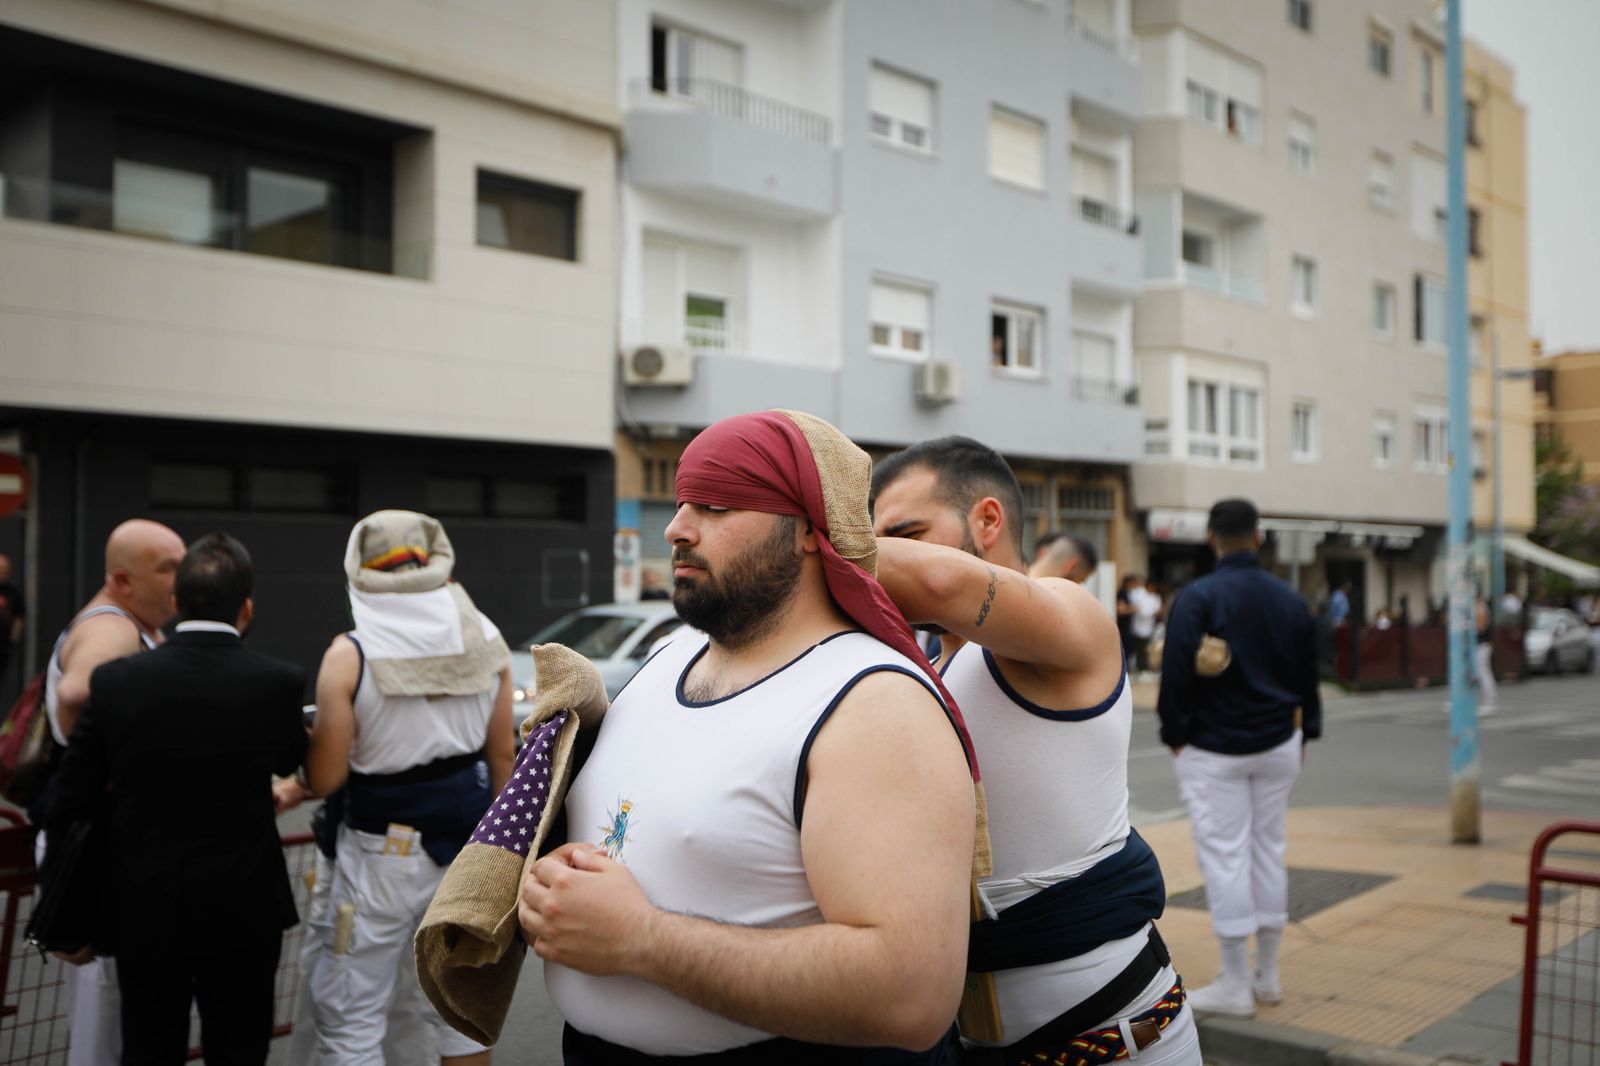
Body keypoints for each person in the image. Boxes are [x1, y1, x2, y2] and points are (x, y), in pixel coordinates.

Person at [522, 410, 978, 1063]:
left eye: (715, 506)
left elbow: (911, 996)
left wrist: (641, 939)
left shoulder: (876, 704)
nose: (677, 529)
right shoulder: (667, 659)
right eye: (683, 503)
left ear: (808, 531)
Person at [871, 437, 1199, 1065]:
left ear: (987, 520)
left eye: (906, 534)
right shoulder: (927, 664)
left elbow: (939, 579)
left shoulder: (1071, 613)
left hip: (1118, 1042)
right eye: (876, 538)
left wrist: (790, 540)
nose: (888, 557)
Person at [48, 533, 306, 1065]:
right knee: (239, 1048)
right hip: (244, 906)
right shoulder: (277, 682)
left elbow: (69, 798)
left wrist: (62, 914)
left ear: (175, 602)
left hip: (143, 904)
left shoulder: (117, 681)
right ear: (247, 606)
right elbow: (286, 761)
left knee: (148, 1046)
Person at [296, 510, 515, 1066]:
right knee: (458, 1014)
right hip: (465, 850)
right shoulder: (486, 637)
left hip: (378, 855)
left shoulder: (350, 653)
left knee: (352, 1015)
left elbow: (326, 778)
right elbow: (501, 755)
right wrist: (501, 858)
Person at [1157, 498, 1321, 1018]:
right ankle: (1267, 975)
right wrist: (1306, 732)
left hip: (1212, 747)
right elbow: (1308, 674)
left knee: (1226, 854)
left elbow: (1177, 671)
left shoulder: (1198, 596)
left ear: (1212, 539)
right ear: (1258, 537)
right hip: (1278, 741)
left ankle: (1233, 982)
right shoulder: (1291, 600)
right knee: (1268, 848)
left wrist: (1174, 734)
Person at [41, 518, 185, 1065]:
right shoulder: (114, 628)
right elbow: (79, 690)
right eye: (166, 568)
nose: (180, 578)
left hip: (107, 839)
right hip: (98, 842)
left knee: (120, 1008)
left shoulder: (138, 625)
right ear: (122, 580)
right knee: (107, 1012)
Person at [1028, 532, 1098, 585]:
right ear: (1071, 566)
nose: (1079, 586)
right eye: (1081, 580)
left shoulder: (1019, 583)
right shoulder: (1051, 599)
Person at [0, 551, 23, 702]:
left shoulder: (12, 591)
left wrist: (13, 640)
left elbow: (19, 616)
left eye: (4, 571)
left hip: (2, 648)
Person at [1474, 597, 1498, 716]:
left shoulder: (1480, 607)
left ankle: (1490, 703)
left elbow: (1480, 627)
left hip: (1482, 645)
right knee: (1476, 672)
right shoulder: (1477, 606)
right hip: (1479, 645)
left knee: (1483, 672)